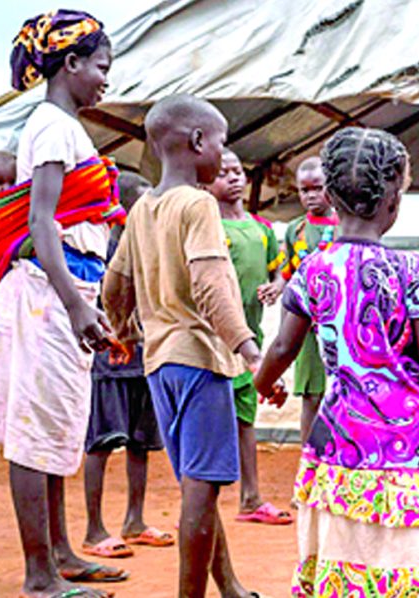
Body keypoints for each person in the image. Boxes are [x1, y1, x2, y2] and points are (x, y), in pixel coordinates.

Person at [254, 127, 419, 597]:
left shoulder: (313, 269)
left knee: (344, 554)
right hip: (404, 444)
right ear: (394, 202)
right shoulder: (411, 271)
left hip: (338, 442)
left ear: (329, 196)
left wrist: (263, 384)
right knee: (411, 562)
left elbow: (281, 348)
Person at [0, 10, 129, 597]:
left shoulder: (63, 127)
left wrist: (85, 299)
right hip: (47, 293)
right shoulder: (54, 127)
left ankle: (60, 554)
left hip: (62, 289)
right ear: (72, 63)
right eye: (101, 67)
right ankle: (40, 577)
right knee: (36, 430)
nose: (106, 79)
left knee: (55, 424)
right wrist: (77, 306)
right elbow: (41, 223)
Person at [102, 95, 262, 598]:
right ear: (197, 142)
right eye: (220, 142)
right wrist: (249, 349)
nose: (223, 152)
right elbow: (211, 285)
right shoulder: (198, 204)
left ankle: (230, 587)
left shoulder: (142, 209)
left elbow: (115, 284)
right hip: (200, 360)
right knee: (202, 486)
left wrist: (124, 333)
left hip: (159, 366)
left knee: (198, 482)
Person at [81, 172, 175, 559]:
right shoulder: (104, 247)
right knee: (102, 441)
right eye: (144, 203)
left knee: (141, 442)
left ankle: (134, 521)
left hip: (147, 356)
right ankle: (93, 530)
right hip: (111, 359)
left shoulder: (152, 245)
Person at [207, 148, 292, 525]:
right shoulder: (209, 228)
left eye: (237, 171)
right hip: (214, 343)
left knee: (245, 419)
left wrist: (275, 286)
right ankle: (201, 503)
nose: (233, 178)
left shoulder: (262, 229)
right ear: (206, 183)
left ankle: (251, 498)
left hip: (250, 340)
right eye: (223, 173)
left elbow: (278, 271)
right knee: (210, 424)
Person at [279, 156, 336, 442]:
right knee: (312, 395)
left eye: (318, 188)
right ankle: (310, 455)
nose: (311, 195)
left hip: (339, 325)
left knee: (341, 394)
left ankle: (341, 456)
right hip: (306, 326)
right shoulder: (295, 230)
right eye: (305, 190)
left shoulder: (346, 226)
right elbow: (288, 278)